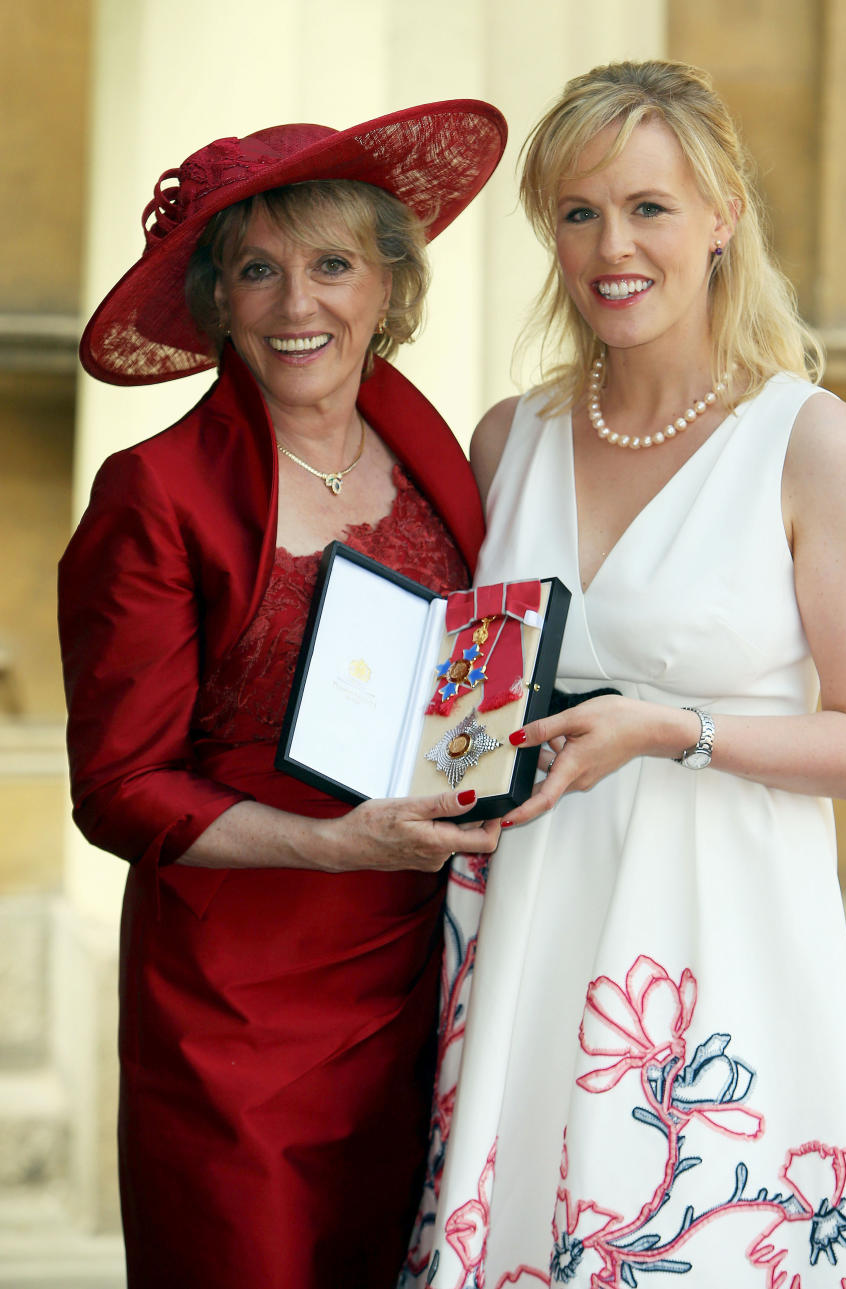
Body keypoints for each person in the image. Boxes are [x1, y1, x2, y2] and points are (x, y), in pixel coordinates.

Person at [402, 61, 846, 1289]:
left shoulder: (817, 444)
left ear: (723, 215)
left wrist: (664, 728)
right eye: (578, 213)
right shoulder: (505, 437)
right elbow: (472, 705)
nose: (611, 246)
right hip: (529, 933)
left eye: (650, 207)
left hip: (716, 954)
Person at [58, 102, 506, 1289]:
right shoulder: (150, 494)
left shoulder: (433, 450)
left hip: (420, 981)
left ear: (388, 286)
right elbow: (116, 791)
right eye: (258, 269)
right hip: (233, 1013)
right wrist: (329, 842)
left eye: (331, 264)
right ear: (217, 301)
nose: (298, 304)